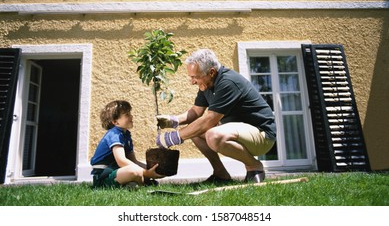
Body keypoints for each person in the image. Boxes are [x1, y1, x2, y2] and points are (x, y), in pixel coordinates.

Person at [156, 49, 276, 183]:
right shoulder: (207, 84)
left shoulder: (228, 82)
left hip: (262, 135)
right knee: (194, 131)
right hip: (242, 133)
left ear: (211, 72)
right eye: (191, 77)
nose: (192, 82)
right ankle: (221, 174)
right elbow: (196, 112)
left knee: (213, 135)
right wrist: (172, 121)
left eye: (195, 77)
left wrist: (174, 138)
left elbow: (209, 120)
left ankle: (254, 166)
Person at [90, 100, 164, 188]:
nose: (131, 116)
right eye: (127, 114)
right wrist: (146, 173)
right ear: (115, 122)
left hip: (116, 171)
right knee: (134, 171)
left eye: (130, 113)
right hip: (103, 176)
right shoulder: (114, 134)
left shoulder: (126, 135)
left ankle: (132, 184)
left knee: (136, 170)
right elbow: (121, 161)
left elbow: (133, 161)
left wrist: (152, 168)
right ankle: (141, 182)